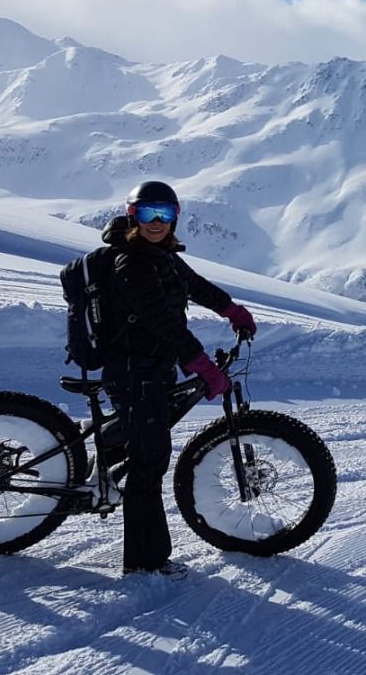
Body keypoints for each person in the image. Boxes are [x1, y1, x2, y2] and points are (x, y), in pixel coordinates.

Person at [101, 180, 257, 577]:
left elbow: (195, 286)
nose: (157, 222)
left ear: (175, 217)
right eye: (149, 213)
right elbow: (162, 322)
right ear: (133, 214)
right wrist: (200, 364)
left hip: (151, 368)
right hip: (135, 370)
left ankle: (106, 452)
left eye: (165, 214)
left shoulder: (161, 255)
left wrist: (232, 310)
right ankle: (145, 562)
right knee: (148, 463)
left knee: (143, 439)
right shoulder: (132, 262)